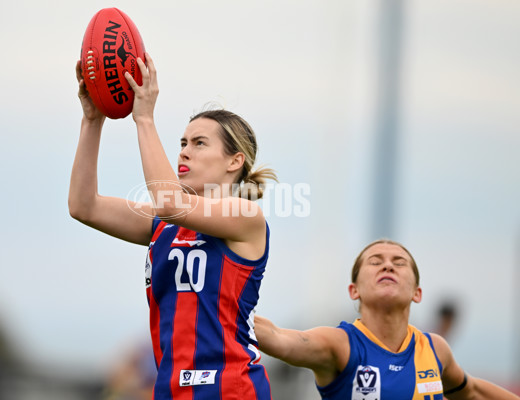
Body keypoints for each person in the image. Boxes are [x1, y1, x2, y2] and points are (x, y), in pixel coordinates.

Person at [69, 53, 276, 400]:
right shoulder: (162, 226)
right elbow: (83, 206)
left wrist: (145, 118)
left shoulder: (246, 217)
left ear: (234, 161)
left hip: (230, 389)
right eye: (182, 143)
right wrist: (92, 120)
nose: (183, 153)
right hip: (168, 392)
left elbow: (169, 203)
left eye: (198, 143)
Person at [254, 239, 520, 399]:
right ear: (354, 290)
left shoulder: (435, 349)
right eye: (375, 261)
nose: (388, 265)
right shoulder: (340, 345)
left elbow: (472, 392)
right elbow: (279, 337)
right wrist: (219, 309)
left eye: (400, 262)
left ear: (417, 292)